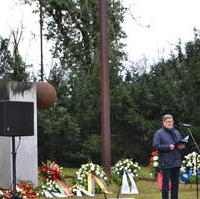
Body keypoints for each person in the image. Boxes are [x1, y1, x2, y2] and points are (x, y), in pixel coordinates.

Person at [153, 114, 185, 199]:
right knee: (166, 185)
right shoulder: (159, 133)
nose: (170, 123)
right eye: (168, 122)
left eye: (171, 121)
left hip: (176, 162)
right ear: (163, 122)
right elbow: (155, 146)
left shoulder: (176, 132)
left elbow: (180, 143)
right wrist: (168, 147)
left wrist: (181, 147)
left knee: (175, 185)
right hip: (166, 162)